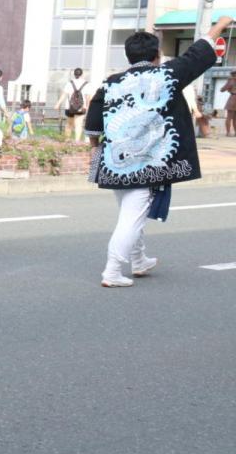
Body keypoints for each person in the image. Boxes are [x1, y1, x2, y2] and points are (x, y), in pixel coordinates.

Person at [85, 19, 230, 287]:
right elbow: (197, 54)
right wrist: (220, 25)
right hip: (147, 163)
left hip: (116, 162)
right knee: (131, 217)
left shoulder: (110, 83)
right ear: (157, 55)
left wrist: (94, 153)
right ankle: (112, 271)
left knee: (131, 212)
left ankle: (139, 261)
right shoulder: (166, 75)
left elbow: (93, 124)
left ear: (129, 56)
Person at [57, 67, 89, 143]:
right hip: (81, 108)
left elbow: (64, 95)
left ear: (74, 74)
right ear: (82, 74)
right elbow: (88, 97)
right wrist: (86, 106)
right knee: (79, 125)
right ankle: (77, 141)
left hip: (69, 107)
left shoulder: (69, 83)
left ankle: (67, 140)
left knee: (69, 124)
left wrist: (58, 104)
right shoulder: (86, 84)